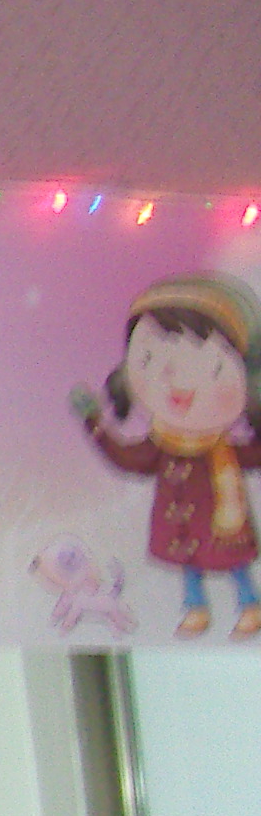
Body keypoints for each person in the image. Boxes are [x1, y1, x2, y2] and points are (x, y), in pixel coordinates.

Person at [74, 273, 261, 638]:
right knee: (189, 566)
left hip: (224, 526)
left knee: (235, 562)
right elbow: (128, 458)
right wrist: (94, 422)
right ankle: (195, 608)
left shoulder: (225, 450)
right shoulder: (162, 444)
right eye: (149, 359)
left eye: (210, 367)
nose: (177, 381)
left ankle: (250, 603)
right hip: (181, 528)